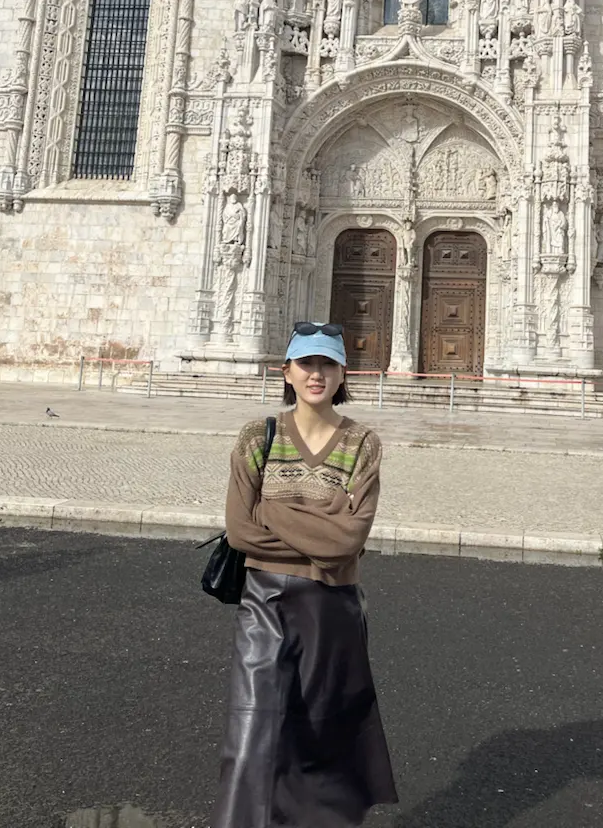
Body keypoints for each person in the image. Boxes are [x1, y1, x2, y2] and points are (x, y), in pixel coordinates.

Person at [212, 322, 398, 828]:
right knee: (250, 737)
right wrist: (321, 520)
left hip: (332, 606)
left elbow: (346, 543)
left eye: (328, 364)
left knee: (322, 738)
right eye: (306, 363)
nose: (316, 374)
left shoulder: (362, 442)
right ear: (287, 372)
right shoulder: (258, 436)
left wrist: (270, 510)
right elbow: (239, 533)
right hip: (264, 605)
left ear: (343, 374)